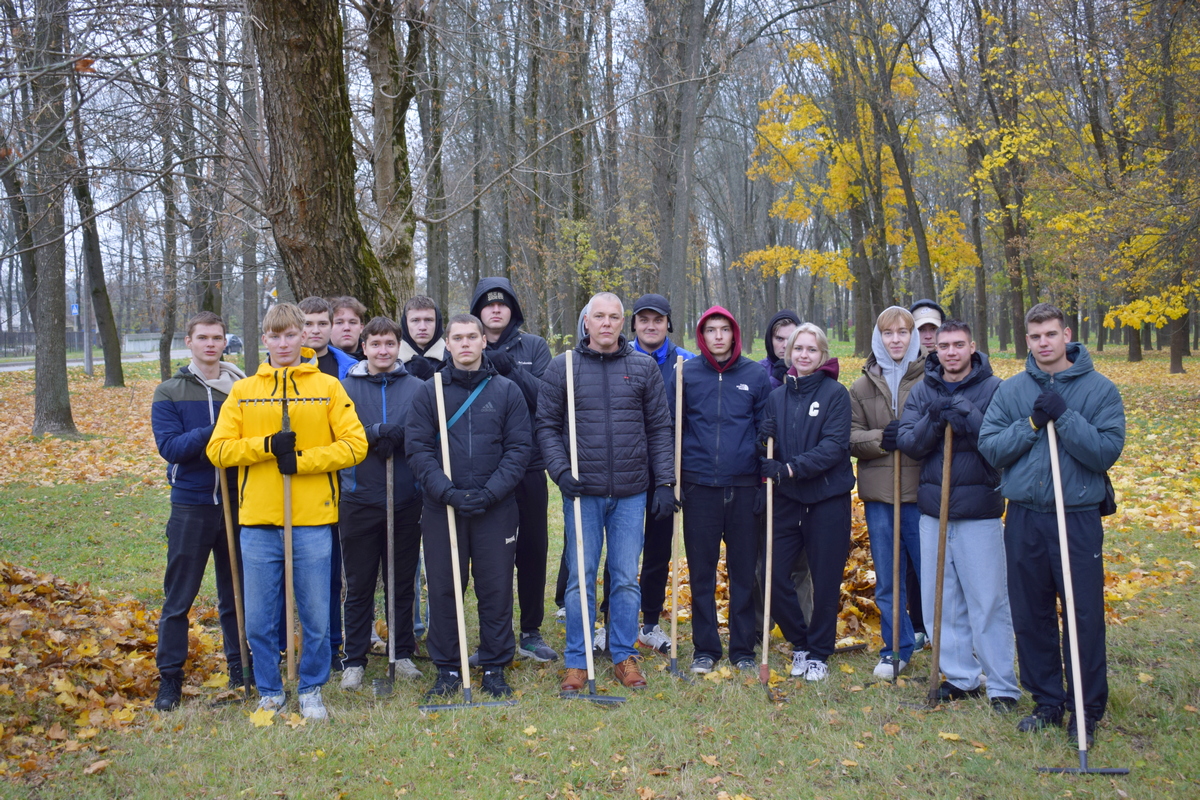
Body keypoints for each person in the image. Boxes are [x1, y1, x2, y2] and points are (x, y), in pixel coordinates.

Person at [207, 302, 367, 719]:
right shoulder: (244, 391)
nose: (283, 343)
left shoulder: (328, 387)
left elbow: (355, 445)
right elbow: (218, 450)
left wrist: (302, 460)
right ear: (265, 339)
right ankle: (270, 690)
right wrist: (265, 448)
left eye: (290, 334)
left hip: (312, 519)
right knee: (260, 619)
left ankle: (311, 688)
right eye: (275, 336)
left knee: (316, 616)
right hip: (259, 521)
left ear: (304, 336)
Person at [979, 303, 1125, 744]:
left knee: (1082, 613)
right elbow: (991, 447)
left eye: (1051, 334)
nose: (1044, 343)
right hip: (1025, 515)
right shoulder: (1012, 390)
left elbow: (1104, 453)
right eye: (1036, 336)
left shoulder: (1100, 390)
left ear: (1067, 335)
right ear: (1027, 340)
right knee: (1031, 611)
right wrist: (1032, 423)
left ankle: (1085, 708)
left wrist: (1065, 416)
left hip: (1076, 517)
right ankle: (1047, 700)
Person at [537, 292, 675, 692]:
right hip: (583, 492)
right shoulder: (563, 367)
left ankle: (623, 654)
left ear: (622, 322)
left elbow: (659, 429)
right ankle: (577, 660)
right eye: (599, 316)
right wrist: (560, 470)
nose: (606, 323)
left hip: (631, 493)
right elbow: (546, 426)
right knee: (580, 579)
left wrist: (665, 482)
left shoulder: (642, 368)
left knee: (626, 578)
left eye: (614, 317)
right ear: (586, 321)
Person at [405, 314, 533, 698]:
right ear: (448, 344)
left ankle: (494, 665)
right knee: (445, 587)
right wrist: (447, 492)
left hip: (496, 508)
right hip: (443, 508)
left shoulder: (507, 391)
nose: (465, 344)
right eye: (457, 338)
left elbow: (519, 449)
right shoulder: (429, 392)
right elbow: (418, 449)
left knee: (495, 588)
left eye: (471, 337)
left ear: (483, 342)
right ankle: (448, 667)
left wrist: (491, 493)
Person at [897, 320, 1019, 710]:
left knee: (987, 600)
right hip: (935, 512)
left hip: (978, 512)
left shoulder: (995, 389)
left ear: (972, 347)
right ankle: (961, 676)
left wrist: (968, 415)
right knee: (942, 599)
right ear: (936, 350)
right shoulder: (923, 390)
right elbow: (908, 442)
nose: (951, 352)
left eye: (958, 345)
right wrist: (934, 420)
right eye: (944, 346)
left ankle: (1002, 684)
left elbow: (1001, 446)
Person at [150, 311, 248, 711]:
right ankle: (170, 678)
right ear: (189, 341)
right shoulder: (169, 391)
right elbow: (172, 448)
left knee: (236, 594)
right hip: (191, 505)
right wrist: (217, 431)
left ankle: (240, 668)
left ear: (225, 342)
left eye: (217, 338)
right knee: (179, 597)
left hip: (237, 503)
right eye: (203, 337)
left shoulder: (243, 388)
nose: (210, 344)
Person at [670, 306, 770, 673]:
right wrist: (674, 479)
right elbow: (673, 427)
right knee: (701, 573)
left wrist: (762, 482)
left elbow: (765, 431)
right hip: (699, 488)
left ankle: (742, 649)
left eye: (724, 329)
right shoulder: (686, 373)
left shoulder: (755, 375)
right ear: (701, 335)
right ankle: (706, 649)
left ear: (734, 334)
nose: (717, 336)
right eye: (710, 329)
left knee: (743, 572)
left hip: (743, 488)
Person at [758, 323, 855, 682]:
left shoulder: (836, 394)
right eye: (798, 348)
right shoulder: (777, 397)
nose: (804, 355)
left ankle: (819, 653)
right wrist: (762, 441)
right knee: (772, 574)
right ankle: (800, 642)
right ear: (789, 353)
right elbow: (768, 449)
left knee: (825, 579)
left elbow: (833, 447)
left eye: (812, 349)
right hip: (788, 500)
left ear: (822, 355)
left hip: (827, 498)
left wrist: (790, 468)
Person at [468, 277, 558, 662]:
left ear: (513, 310)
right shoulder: (468, 344)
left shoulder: (533, 347)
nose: (495, 310)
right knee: (492, 556)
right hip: (485, 469)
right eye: (488, 305)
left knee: (533, 550)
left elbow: (548, 397)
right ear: (478, 311)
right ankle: (496, 635)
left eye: (502, 304)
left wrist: (513, 371)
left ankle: (531, 631)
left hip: (529, 465)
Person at [338, 316, 425, 690]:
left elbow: (427, 432)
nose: (383, 350)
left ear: (398, 346)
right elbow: (338, 433)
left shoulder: (417, 388)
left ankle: (401, 652)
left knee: (401, 582)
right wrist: (373, 433)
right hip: (359, 498)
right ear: (364, 348)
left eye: (389, 343)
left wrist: (403, 435)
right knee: (359, 585)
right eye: (375, 344)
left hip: (405, 499)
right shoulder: (345, 389)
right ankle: (354, 659)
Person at [612, 293, 694, 653]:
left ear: (668, 324)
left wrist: (676, 474)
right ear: (633, 324)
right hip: (624, 469)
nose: (650, 326)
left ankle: (649, 623)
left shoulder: (686, 364)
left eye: (657, 320)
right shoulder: (617, 358)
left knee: (659, 549)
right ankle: (613, 621)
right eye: (643, 320)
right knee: (620, 551)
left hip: (666, 470)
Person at [849, 306, 924, 680]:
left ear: (913, 336)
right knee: (889, 579)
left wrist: (909, 436)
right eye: (888, 333)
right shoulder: (862, 387)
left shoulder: (930, 379)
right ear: (879, 337)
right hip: (880, 497)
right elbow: (850, 437)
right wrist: (882, 438)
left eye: (903, 332)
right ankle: (896, 647)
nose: (896, 339)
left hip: (921, 495)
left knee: (930, 576)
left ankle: (951, 649)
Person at [299, 296, 357, 380]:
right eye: (308, 324)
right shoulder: (281, 365)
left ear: (332, 326)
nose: (316, 331)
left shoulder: (352, 369)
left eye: (322, 324)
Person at [399, 295, 445, 379]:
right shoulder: (392, 358)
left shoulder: (453, 357)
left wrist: (432, 376)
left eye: (428, 320)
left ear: (437, 323)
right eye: (415, 320)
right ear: (405, 323)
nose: (422, 327)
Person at [758, 310, 801, 389]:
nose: (785, 345)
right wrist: (775, 380)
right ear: (770, 340)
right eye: (779, 339)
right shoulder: (758, 371)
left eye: (791, 339)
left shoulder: (809, 367)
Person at [330, 296, 368, 360]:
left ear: (361, 328)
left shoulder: (374, 360)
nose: (346, 328)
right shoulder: (316, 360)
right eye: (339, 323)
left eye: (352, 322)